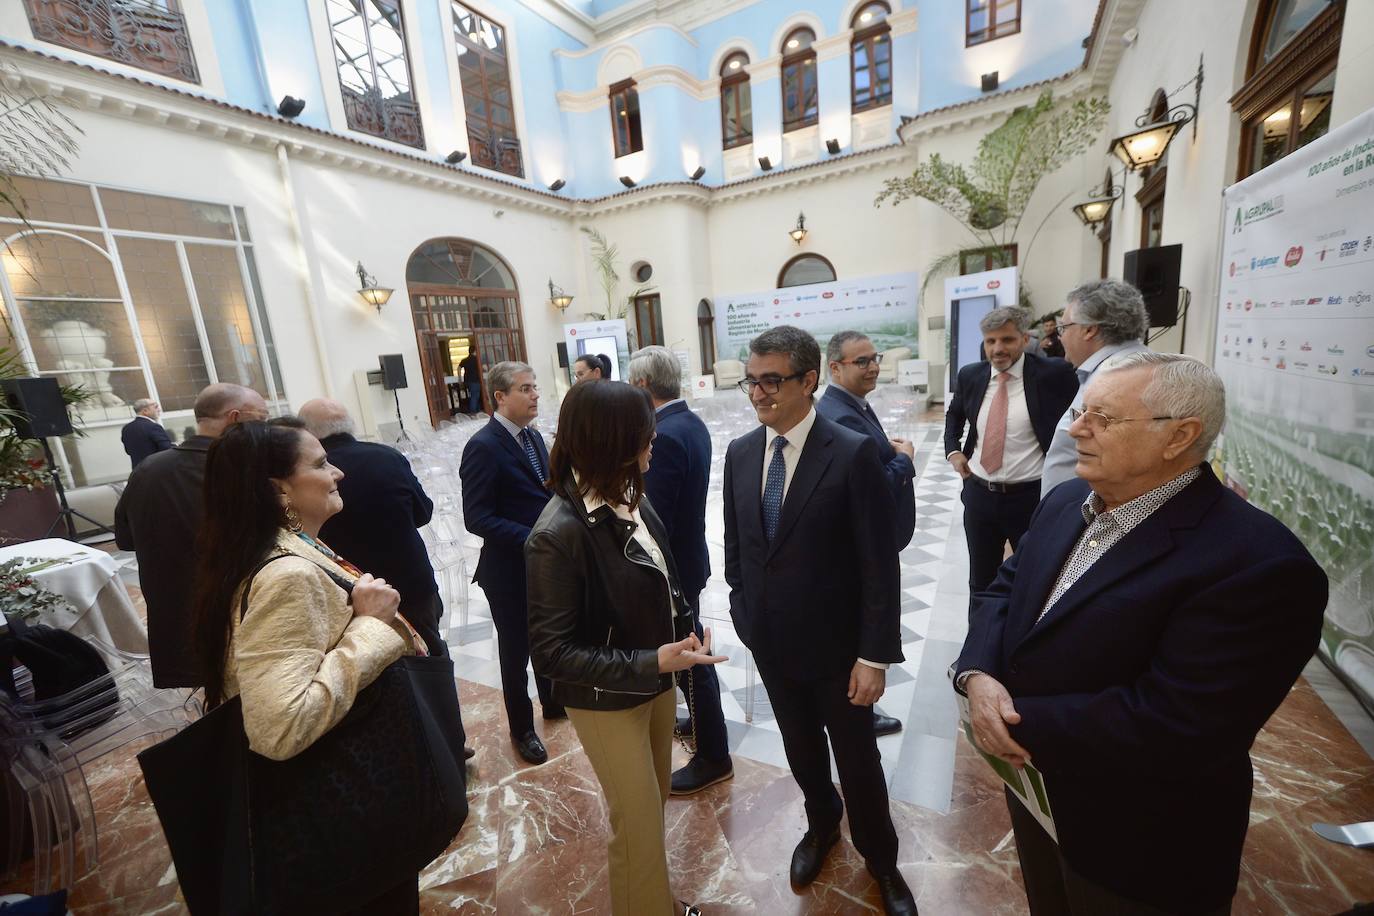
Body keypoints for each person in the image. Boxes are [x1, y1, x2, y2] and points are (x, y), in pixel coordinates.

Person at [954, 353, 1328, 916]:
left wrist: (1006, 719)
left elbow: (1179, 723)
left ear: (1179, 436)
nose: (1076, 428)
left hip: (1140, 842)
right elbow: (1005, 588)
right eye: (1081, 412)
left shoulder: (1260, 565)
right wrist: (978, 673)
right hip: (1040, 799)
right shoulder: (1063, 503)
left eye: (1102, 418)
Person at [191, 421, 426, 914]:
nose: (338, 472)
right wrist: (370, 626)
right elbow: (281, 725)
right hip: (340, 805)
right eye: (320, 464)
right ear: (278, 490)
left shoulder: (288, 547)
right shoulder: (288, 574)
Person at [723, 326, 916, 915]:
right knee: (802, 752)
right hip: (772, 642)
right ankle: (821, 825)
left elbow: (879, 567)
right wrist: (744, 614)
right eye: (751, 381)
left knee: (859, 763)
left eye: (771, 381)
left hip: (840, 652)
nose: (758, 394)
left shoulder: (851, 452)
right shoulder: (741, 452)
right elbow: (740, 548)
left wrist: (874, 655)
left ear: (809, 381)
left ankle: (882, 860)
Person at [527, 380, 724, 916]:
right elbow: (550, 655)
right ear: (613, 442)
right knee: (635, 821)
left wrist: (682, 625)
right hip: (608, 699)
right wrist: (649, 661)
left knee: (652, 805)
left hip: (653, 679)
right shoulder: (556, 534)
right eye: (645, 434)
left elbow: (661, 575)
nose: (653, 442)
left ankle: (653, 900)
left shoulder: (632, 496)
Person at [626, 346, 732, 795]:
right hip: (690, 558)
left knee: (689, 656)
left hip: (673, 567)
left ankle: (714, 755)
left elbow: (655, 516)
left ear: (644, 385)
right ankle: (699, 725)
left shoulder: (663, 434)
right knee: (687, 651)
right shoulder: (687, 420)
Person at [115, 383, 268, 687]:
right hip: (235, 620)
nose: (266, 429)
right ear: (235, 418)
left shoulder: (149, 470)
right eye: (262, 420)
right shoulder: (241, 471)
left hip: (175, 622)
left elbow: (125, 540)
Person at [459, 361, 562, 765]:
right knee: (516, 651)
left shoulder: (533, 437)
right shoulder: (483, 446)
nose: (535, 394)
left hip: (542, 565)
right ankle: (522, 729)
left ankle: (553, 703)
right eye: (525, 388)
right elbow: (477, 517)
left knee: (548, 638)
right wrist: (535, 537)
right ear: (500, 397)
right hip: (507, 570)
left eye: (535, 386)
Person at [815, 330, 914, 738]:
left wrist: (887, 450)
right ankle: (856, 712)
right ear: (834, 367)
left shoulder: (852, 404)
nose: (873, 366)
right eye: (862, 361)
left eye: (875, 357)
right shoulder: (838, 414)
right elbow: (875, 489)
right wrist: (904, 460)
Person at [945, 307, 1078, 597]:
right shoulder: (971, 375)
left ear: (1024, 339)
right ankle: (980, 639)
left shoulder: (1053, 374)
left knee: (1032, 580)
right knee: (980, 583)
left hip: (1030, 498)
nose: (997, 349)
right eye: (990, 341)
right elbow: (954, 415)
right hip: (979, 494)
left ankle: (1019, 639)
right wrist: (953, 451)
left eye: (1007, 340)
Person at [298, 398, 447, 658]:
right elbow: (424, 512)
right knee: (431, 663)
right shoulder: (387, 455)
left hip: (352, 594)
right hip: (410, 581)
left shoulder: (307, 476)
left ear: (308, 433)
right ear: (350, 425)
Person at [1040, 279, 1150, 496]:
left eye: (1063, 328)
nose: (1060, 338)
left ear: (1089, 330)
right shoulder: (1140, 364)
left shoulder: (1115, 381)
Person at [120, 398, 171, 469]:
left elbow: (128, 451)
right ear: (145, 411)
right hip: (157, 470)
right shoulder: (154, 427)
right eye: (155, 407)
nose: (159, 410)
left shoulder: (126, 428)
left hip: (137, 472)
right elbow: (167, 449)